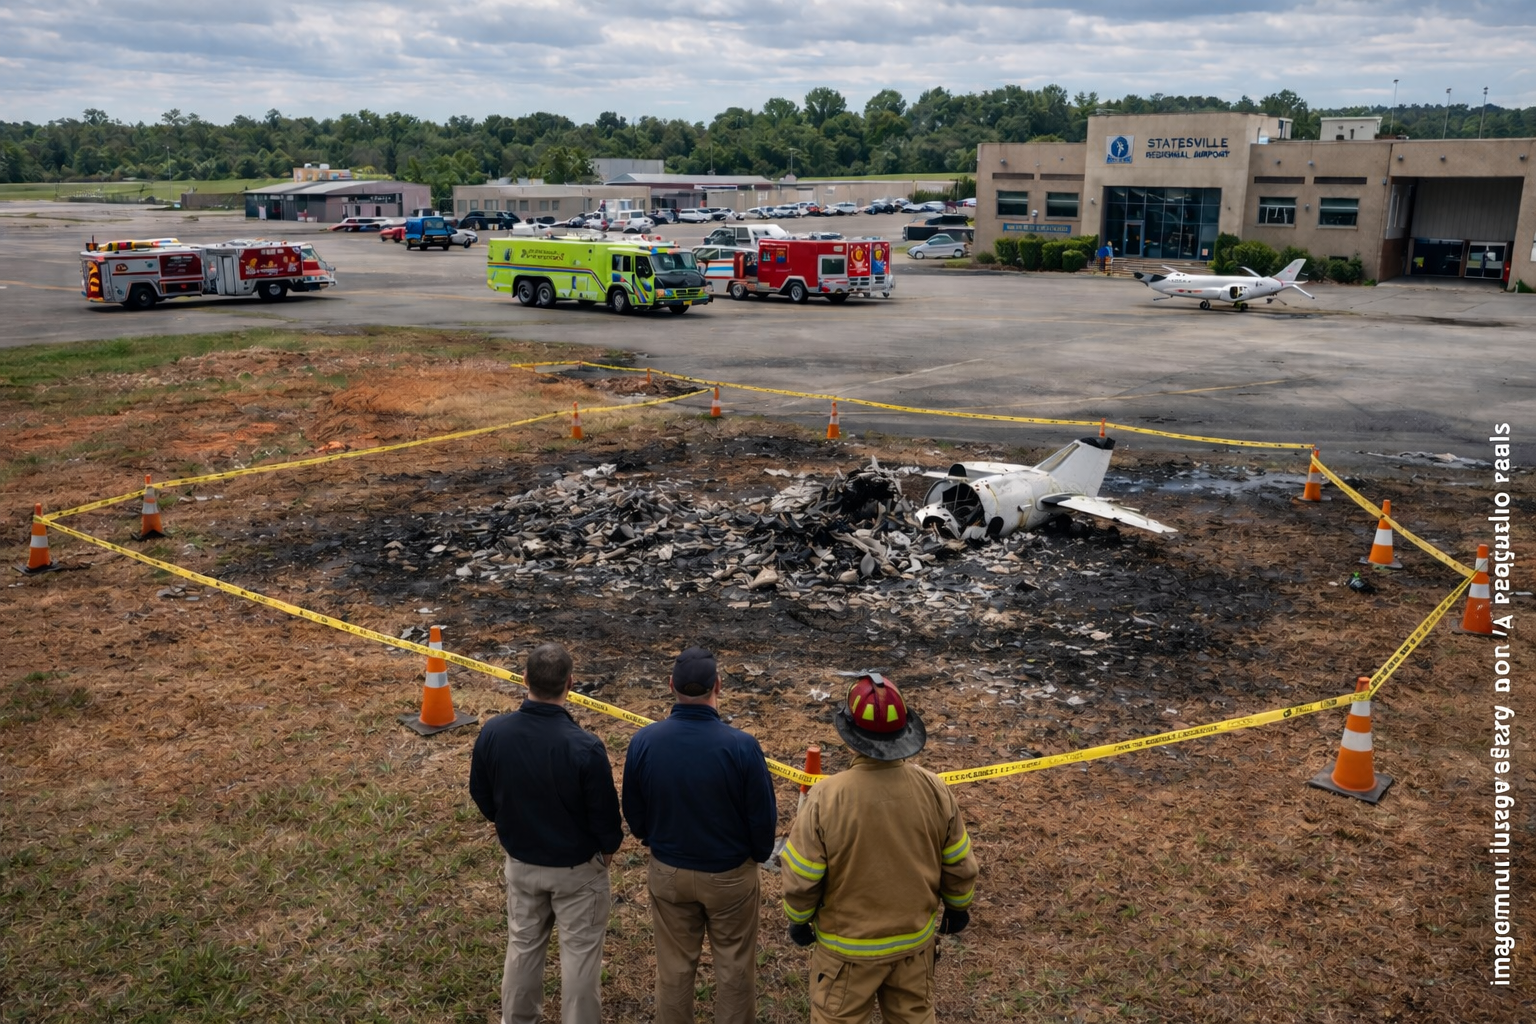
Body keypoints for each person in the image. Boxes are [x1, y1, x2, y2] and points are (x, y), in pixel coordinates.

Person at [780, 674, 979, 1024]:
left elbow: (801, 876)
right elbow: (960, 863)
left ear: (850, 735)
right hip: (914, 951)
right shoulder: (934, 789)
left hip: (846, 956)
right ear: (905, 732)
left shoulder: (827, 797)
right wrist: (958, 907)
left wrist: (798, 920)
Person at [469, 642, 623, 1024]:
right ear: (571, 684)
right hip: (577, 872)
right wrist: (606, 850)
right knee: (580, 958)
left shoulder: (494, 732)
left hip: (522, 864)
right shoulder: (585, 748)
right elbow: (605, 813)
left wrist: (506, 824)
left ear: (524, 680)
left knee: (522, 946)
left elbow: (481, 791)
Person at [622, 647, 778, 1024]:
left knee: (674, 970)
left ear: (671, 686)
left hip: (669, 871)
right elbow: (763, 820)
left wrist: (653, 841)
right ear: (718, 686)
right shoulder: (742, 746)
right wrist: (754, 857)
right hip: (730, 876)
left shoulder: (645, 742)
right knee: (735, 969)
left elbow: (634, 809)